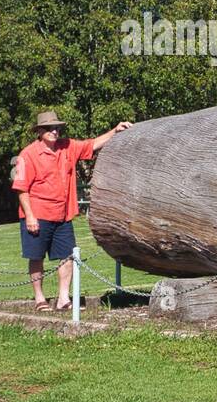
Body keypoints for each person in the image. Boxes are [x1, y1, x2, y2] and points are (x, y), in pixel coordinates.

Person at [12, 111, 134, 310]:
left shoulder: (67, 146)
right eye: (50, 128)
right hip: (37, 215)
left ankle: (63, 299)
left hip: (63, 215)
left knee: (68, 256)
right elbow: (21, 189)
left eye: (57, 128)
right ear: (40, 131)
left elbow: (92, 144)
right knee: (36, 257)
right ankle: (40, 299)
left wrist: (115, 130)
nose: (55, 131)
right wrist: (30, 216)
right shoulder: (28, 154)